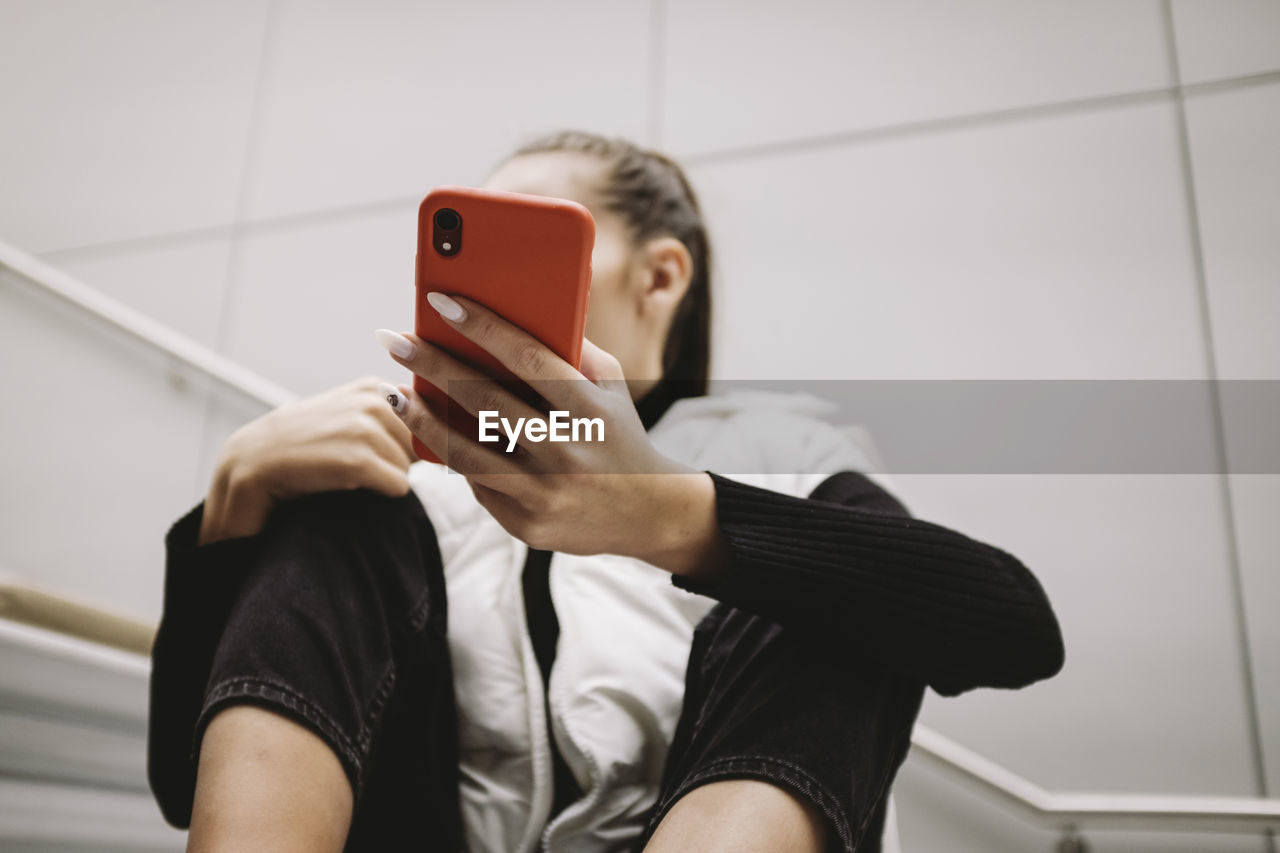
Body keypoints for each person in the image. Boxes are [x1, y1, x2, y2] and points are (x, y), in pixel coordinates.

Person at [148, 131, 1065, 853]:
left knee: (834, 588)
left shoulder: (785, 451)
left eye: (520, 234)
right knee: (348, 511)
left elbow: (1017, 624)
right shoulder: (412, 479)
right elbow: (175, 781)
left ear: (661, 273)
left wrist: (668, 511)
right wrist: (233, 510)